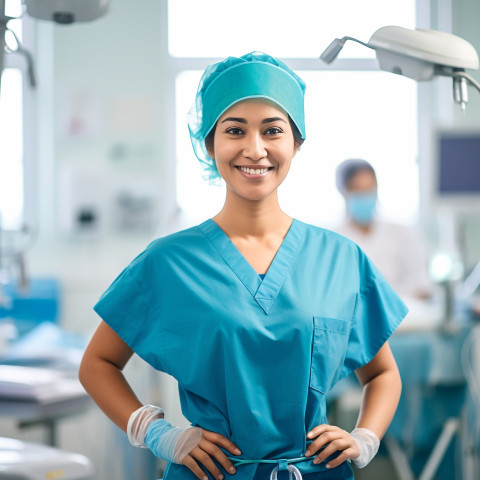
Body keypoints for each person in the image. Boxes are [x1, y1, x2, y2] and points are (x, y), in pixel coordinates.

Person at [79, 52, 408, 480]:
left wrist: (365, 438)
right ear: (210, 143)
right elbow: (97, 365)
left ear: (297, 143)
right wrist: (159, 434)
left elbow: (382, 372)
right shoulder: (168, 262)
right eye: (235, 130)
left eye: (273, 130)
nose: (255, 149)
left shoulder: (340, 258)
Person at [334, 158, 433, 301]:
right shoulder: (334, 239)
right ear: (344, 192)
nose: (365, 196)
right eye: (358, 191)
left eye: (369, 189)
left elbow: (421, 280)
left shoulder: (401, 233)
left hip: (405, 315)